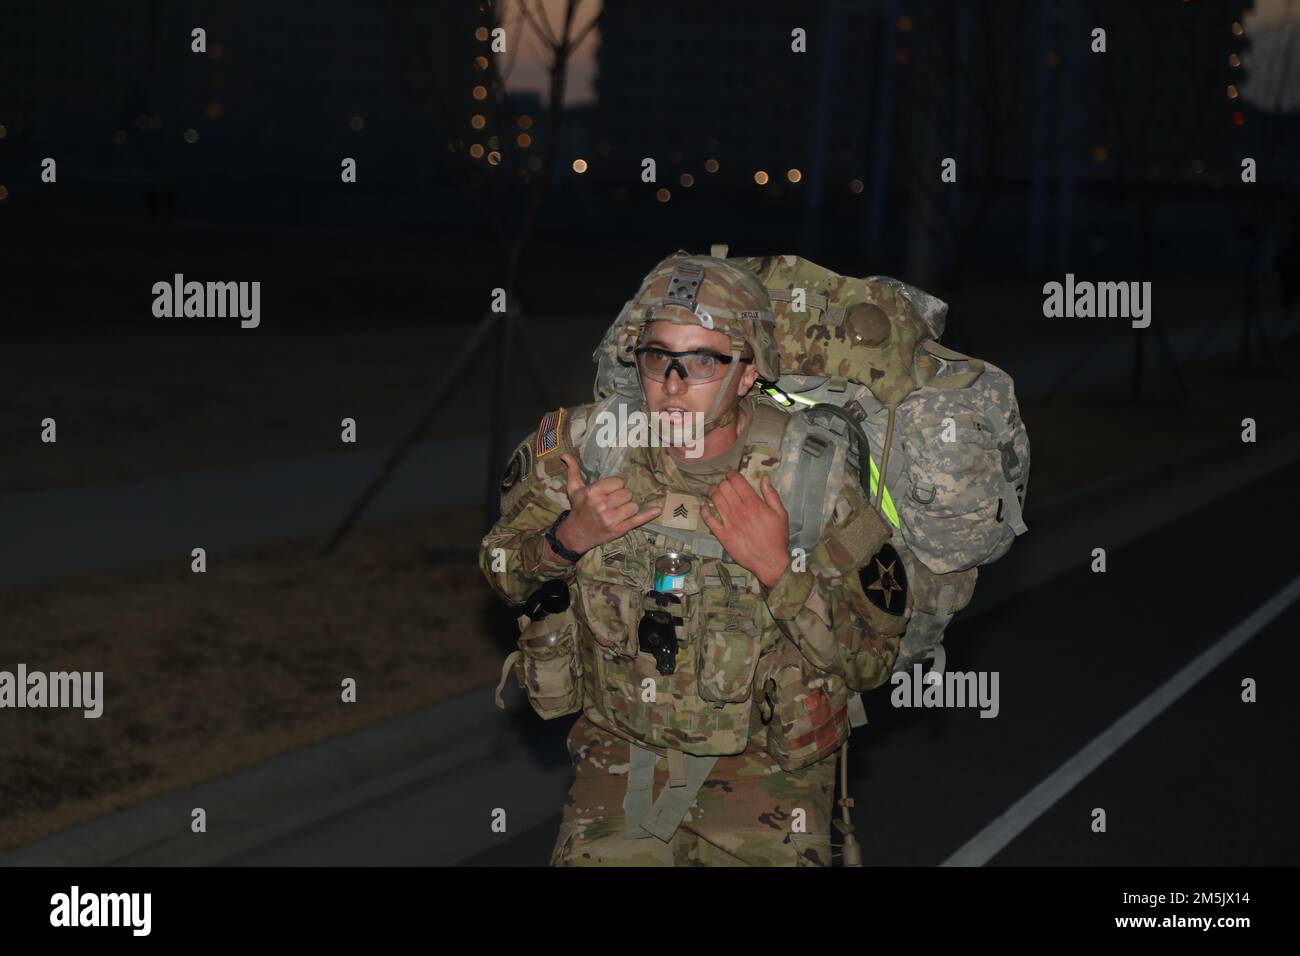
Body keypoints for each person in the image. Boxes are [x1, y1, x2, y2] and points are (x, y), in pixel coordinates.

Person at [479, 251, 908, 866]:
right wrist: (565, 540)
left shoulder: (808, 476)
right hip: (618, 760)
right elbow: (498, 572)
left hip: (770, 779)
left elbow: (871, 660)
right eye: (659, 358)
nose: (673, 385)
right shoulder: (587, 450)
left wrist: (777, 571)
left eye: (703, 360)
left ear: (748, 372)